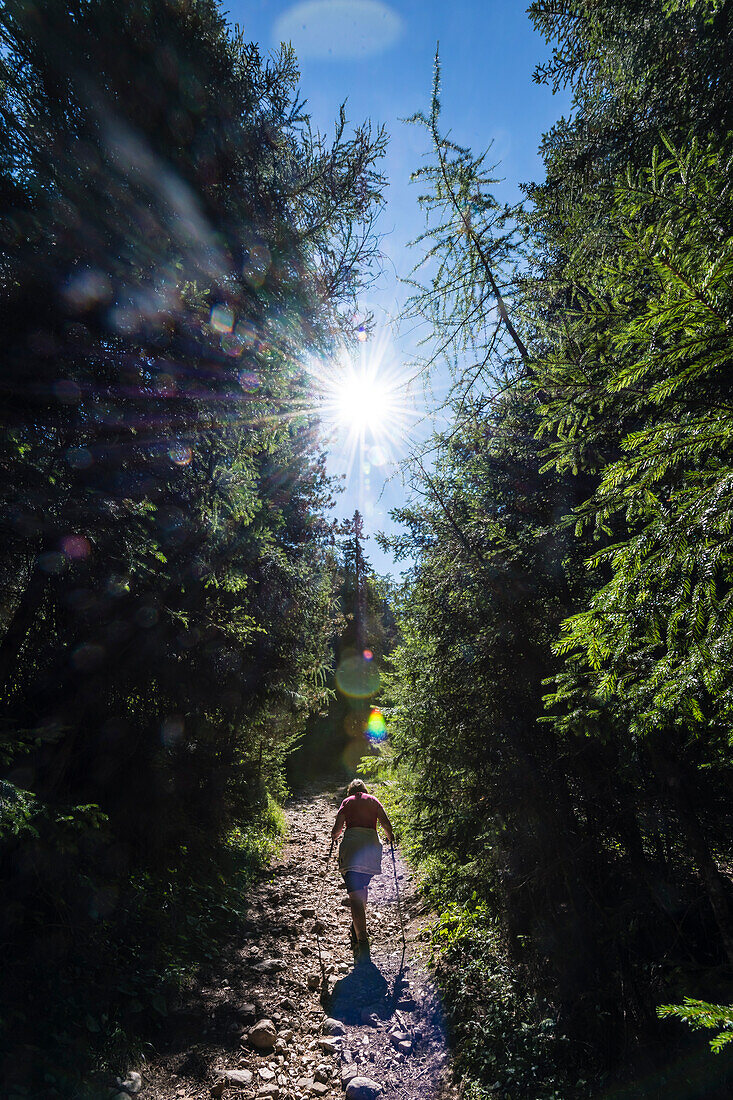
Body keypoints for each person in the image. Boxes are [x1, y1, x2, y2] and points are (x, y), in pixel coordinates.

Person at [331, 778, 394, 948]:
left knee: (356, 898)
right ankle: (358, 925)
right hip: (371, 850)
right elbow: (385, 824)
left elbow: (337, 830)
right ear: (365, 790)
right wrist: (391, 838)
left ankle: (362, 940)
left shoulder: (347, 802)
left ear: (350, 792)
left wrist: (333, 837)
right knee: (362, 888)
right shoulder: (373, 801)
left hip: (351, 850)